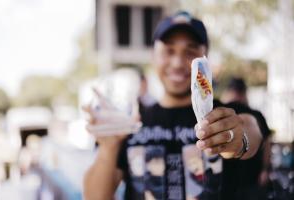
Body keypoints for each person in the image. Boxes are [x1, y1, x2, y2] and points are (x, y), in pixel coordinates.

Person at [83, 11, 263, 200]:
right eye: (168, 51)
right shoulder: (131, 124)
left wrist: (236, 140)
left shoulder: (227, 114)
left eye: (190, 52)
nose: (177, 63)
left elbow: (250, 129)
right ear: (153, 56)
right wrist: (109, 147)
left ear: (205, 56)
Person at [220, 77, 272, 199]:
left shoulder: (255, 114)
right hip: (229, 178)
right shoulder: (222, 111)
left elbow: (266, 143)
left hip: (249, 176)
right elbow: (267, 144)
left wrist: (265, 169)